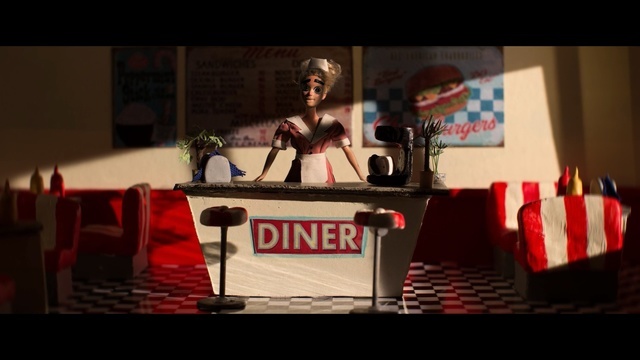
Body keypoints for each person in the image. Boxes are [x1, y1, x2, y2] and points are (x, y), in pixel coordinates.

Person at [254, 57, 366, 183]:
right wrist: (264, 173)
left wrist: (361, 175)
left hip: (323, 174)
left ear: (324, 95)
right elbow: (275, 150)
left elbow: (347, 150)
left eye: (317, 89)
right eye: (306, 88)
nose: (310, 93)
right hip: (298, 174)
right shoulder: (290, 124)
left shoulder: (331, 124)